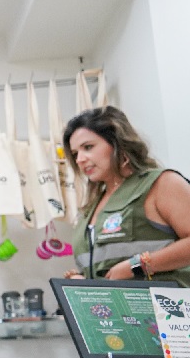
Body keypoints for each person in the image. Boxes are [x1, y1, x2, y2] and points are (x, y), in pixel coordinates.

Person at [63, 106, 190, 285]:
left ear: (117, 143)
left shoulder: (161, 183)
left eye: (88, 147)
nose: (80, 159)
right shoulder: (91, 208)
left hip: (163, 309)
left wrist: (137, 266)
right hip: (112, 311)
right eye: (75, 154)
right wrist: (82, 281)